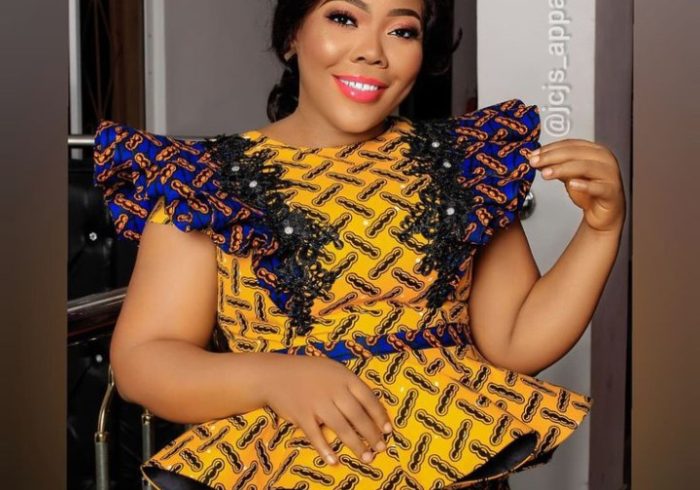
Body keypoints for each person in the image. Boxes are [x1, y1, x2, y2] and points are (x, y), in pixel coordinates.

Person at [92, 0, 625, 488]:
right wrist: (272, 376)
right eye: (344, 18)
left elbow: (515, 344)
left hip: (457, 468)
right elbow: (144, 359)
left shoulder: (463, 164)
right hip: (291, 470)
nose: (373, 51)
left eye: (402, 30)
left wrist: (600, 230)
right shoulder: (205, 179)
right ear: (292, 35)